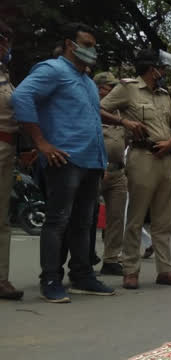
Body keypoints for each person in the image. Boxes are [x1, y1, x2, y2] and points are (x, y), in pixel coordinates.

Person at [12, 23, 115, 303]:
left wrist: (101, 160)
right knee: (58, 221)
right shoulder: (53, 70)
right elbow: (21, 96)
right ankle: (50, 279)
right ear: (71, 44)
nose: (92, 50)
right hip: (65, 158)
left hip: (91, 161)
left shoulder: (86, 81)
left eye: (94, 45)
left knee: (83, 223)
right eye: (88, 44)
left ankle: (82, 276)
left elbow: (92, 119)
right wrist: (41, 144)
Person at [100, 48, 171, 289]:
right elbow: (99, 108)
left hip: (165, 157)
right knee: (136, 217)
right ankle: (130, 269)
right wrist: (124, 121)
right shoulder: (128, 88)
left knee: (163, 219)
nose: (163, 72)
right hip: (141, 156)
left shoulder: (163, 94)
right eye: (161, 68)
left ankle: (165, 270)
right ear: (152, 69)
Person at [93, 71, 129, 276]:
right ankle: (84, 258)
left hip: (118, 171)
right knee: (87, 217)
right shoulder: (90, 110)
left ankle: (111, 259)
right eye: (110, 88)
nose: (115, 92)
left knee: (116, 218)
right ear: (100, 89)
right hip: (96, 170)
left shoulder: (119, 114)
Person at [0, 21, 23, 300]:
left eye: (6, 41)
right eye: (2, 40)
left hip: (8, 147)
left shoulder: (6, 76)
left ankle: (1, 278)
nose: (5, 46)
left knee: (1, 219)